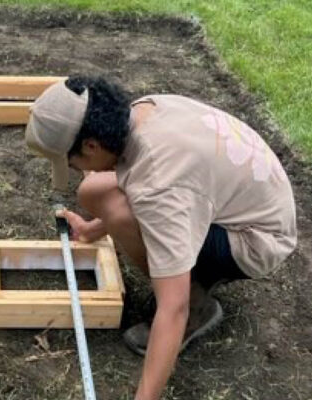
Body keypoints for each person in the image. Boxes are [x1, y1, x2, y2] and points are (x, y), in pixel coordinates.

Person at [24, 76, 297, 400]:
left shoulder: (157, 183)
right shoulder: (143, 111)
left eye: (72, 161)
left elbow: (173, 306)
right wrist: (93, 229)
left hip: (257, 240)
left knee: (126, 214)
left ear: (91, 146)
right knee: (95, 190)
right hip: (243, 197)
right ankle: (190, 274)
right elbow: (147, 181)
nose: (73, 168)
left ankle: (201, 309)